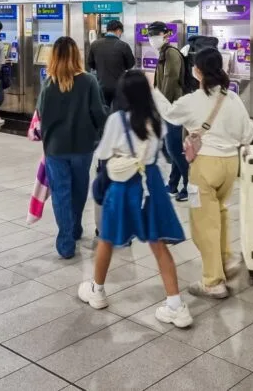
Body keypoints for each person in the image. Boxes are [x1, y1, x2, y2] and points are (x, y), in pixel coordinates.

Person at [78, 70, 192, 328]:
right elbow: (159, 151)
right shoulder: (156, 120)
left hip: (123, 185)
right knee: (157, 243)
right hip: (150, 184)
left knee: (107, 238)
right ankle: (176, 306)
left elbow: (105, 151)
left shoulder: (118, 120)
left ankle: (97, 291)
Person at [166, 48, 253, 299]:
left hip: (205, 167)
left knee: (203, 222)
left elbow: (170, 114)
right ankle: (226, 259)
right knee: (220, 212)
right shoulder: (233, 97)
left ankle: (212, 281)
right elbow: (247, 133)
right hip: (230, 166)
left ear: (198, 71)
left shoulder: (193, 99)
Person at [37, 36, 108, 259]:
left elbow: (40, 114)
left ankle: (66, 241)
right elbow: (98, 113)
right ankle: (75, 228)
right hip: (83, 147)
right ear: (76, 55)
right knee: (78, 190)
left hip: (55, 148)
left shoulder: (48, 83)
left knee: (61, 194)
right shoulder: (88, 81)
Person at [147, 21, 190, 202]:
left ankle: (189, 185)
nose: (153, 38)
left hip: (173, 109)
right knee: (174, 149)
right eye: (150, 35)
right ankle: (173, 184)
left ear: (166, 34)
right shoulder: (164, 53)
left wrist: (161, 108)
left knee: (174, 149)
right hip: (169, 107)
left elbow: (170, 83)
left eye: (156, 34)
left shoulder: (171, 54)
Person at [86, 20, 134, 109]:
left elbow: (90, 63)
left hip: (101, 86)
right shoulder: (123, 45)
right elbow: (131, 64)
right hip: (119, 87)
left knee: (104, 110)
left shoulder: (95, 45)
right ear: (119, 31)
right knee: (118, 112)